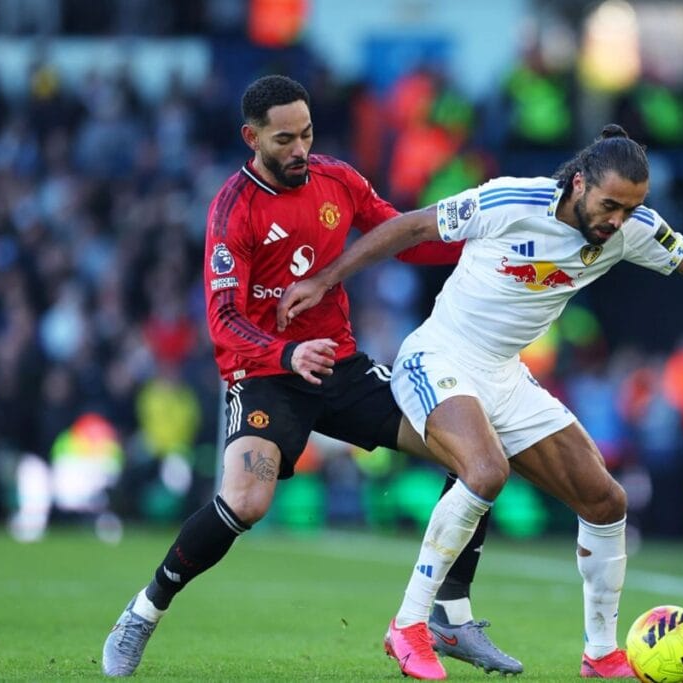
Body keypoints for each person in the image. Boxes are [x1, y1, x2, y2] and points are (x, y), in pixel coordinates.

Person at [276, 124, 683, 679]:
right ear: (580, 183)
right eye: (610, 205)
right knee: (485, 470)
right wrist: (326, 279)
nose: (618, 221)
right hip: (439, 358)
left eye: (630, 209)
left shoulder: (632, 231)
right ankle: (409, 624)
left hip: (505, 377)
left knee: (606, 500)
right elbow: (410, 227)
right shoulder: (510, 200)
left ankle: (601, 652)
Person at [101, 75, 521, 677]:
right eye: (285, 139)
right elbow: (222, 320)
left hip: (340, 366)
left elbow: (400, 237)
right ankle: (144, 611)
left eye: (307, 134)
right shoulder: (233, 210)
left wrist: (481, 243)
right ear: (251, 138)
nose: (300, 149)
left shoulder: (337, 180)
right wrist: (285, 353)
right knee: (246, 501)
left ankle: (449, 618)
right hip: (266, 375)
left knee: (474, 455)